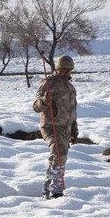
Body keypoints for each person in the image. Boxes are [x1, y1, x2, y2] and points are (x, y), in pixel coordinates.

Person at [33, 55, 79, 199]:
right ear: (57, 68)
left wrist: (74, 132)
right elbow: (36, 107)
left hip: (65, 128)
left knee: (58, 158)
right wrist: (46, 99)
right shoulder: (48, 83)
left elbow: (72, 111)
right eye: (63, 70)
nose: (65, 73)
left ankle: (46, 190)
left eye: (68, 70)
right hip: (51, 126)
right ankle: (56, 191)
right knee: (59, 154)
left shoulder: (70, 87)